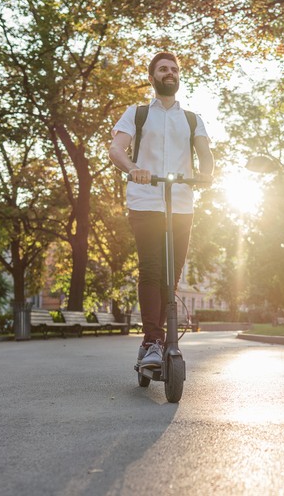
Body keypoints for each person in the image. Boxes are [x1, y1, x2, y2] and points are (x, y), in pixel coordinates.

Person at [108, 52, 214, 370]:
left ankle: (162, 340)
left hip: (181, 204)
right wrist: (133, 167)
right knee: (152, 269)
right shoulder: (137, 114)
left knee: (173, 275)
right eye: (163, 69)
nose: (170, 73)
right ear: (152, 77)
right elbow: (116, 148)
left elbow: (205, 153)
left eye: (174, 69)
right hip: (145, 200)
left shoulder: (192, 119)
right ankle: (153, 341)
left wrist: (207, 173)